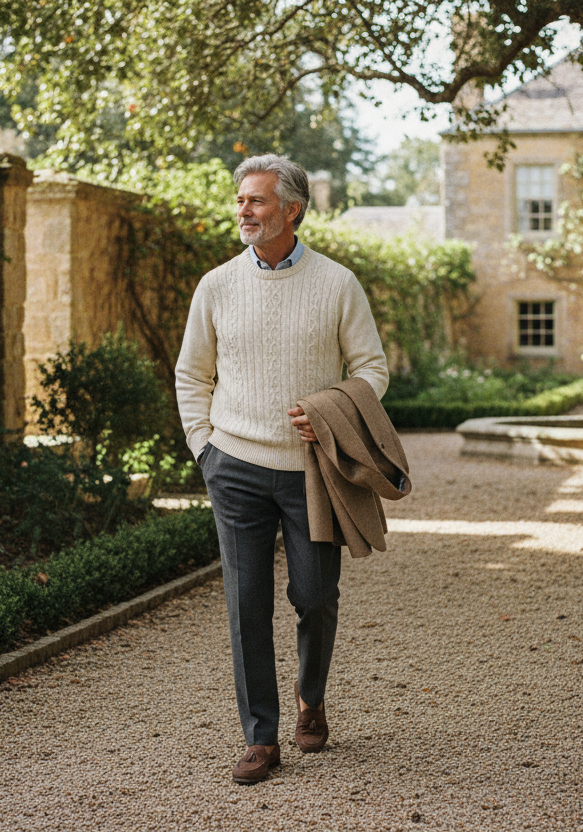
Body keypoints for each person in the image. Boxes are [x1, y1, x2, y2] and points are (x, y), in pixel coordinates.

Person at [174, 154, 389, 785]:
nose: (243, 210)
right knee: (246, 605)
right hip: (234, 465)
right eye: (241, 200)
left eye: (257, 201)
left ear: (291, 210)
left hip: (313, 472)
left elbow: (371, 369)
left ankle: (311, 696)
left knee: (315, 598)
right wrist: (203, 448)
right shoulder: (215, 286)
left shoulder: (337, 284)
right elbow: (192, 374)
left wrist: (330, 412)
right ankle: (260, 737)